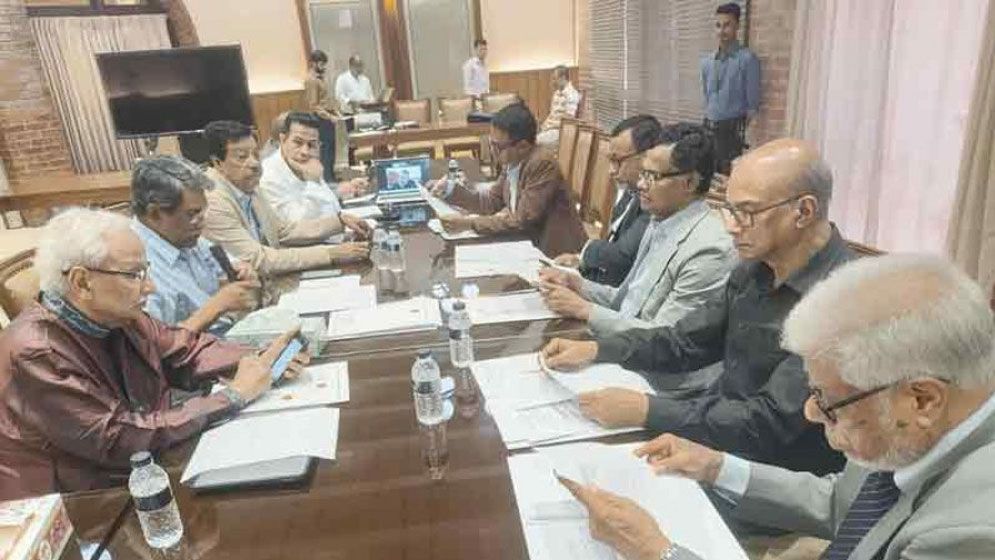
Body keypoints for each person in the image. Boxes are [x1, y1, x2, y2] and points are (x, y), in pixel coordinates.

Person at [564, 254, 995, 560]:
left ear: (922, 399)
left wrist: (658, 553)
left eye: (829, 404)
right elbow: (843, 502)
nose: (810, 413)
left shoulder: (968, 534)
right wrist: (715, 465)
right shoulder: (919, 425)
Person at [542, 138, 850, 475]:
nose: (731, 227)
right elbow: (684, 342)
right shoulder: (756, 268)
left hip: (765, 474)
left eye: (746, 212)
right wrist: (598, 349)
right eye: (729, 209)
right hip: (714, 435)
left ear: (803, 212)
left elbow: (768, 422)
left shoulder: (844, 302)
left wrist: (647, 410)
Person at [0, 208, 309, 499]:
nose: (150, 287)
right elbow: (116, 438)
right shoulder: (35, 351)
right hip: (82, 502)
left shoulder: (119, 316)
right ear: (82, 282)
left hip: (143, 469)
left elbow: (185, 349)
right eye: (134, 275)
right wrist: (232, 397)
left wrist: (258, 359)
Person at [539, 125, 736, 335]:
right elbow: (626, 302)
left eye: (653, 176)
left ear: (689, 183)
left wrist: (584, 310)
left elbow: (667, 338)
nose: (641, 184)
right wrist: (577, 284)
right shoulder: (659, 221)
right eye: (643, 173)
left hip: (645, 353)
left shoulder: (709, 250)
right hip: (626, 342)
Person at [200, 120, 370, 283]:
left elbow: (281, 231)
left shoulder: (247, 183)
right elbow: (260, 260)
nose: (254, 163)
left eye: (255, 154)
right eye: (242, 157)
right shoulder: (212, 202)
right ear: (217, 162)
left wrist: (339, 221)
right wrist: (330, 253)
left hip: (267, 280)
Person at [431, 103, 586, 257]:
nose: (492, 151)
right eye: (491, 144)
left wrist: (469, 223)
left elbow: (521, 222)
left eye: (497, 146)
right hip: (527, 245)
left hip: (557, 255)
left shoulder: (542, 164)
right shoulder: (512, 161)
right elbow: (491, 203)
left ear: (522, 146)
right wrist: (450, 190)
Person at [130, 155, 260, 335]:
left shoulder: (185, 237)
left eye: (202, 212)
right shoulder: (132, 264)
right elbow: (156, 345)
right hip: (190, 349)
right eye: (192, 214)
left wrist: (241, 271)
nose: (201, 222)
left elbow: (230, 271)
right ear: (154, 214)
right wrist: (217, 306)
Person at [554, 115, 660, 287]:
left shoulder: (657, 201)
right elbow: (613, 240)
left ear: (646, 157)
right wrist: (580, 261)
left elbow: (621, 256)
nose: (611, 171)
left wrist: (587, 253)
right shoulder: (631, 190)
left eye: (617, 161)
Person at [259, 111, 368, 227]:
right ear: (282, 139)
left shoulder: (305, 162)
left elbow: (330, 206)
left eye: (311, 144)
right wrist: (313, 181)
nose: (305, 152)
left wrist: (345, 216)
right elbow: (300, 225)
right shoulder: (268, 176)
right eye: (298, 142)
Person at [701, 2, 760, 175]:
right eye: (718, 25)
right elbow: (707, 96)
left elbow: (752, 107)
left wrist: (736, 130)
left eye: (727, 25)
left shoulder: (748, 60)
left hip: (731, 132)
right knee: (706, 177)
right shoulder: (707, 62)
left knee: (727, 179)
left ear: (737, 26)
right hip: (707, 127)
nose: (722, 31)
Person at [302, 50, 340, 181]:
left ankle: (331, 177)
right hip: (321, 119)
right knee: (325, 152)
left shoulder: (320, 78)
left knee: (331, 150)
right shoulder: (311, 80)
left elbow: (326, 100)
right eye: (321, 64)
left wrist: (336, 112)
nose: (324, 67)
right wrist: (330, 116)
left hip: (328, 117)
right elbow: (314, 106)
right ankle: (328, 180)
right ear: (313, 63)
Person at [536, 65, 582, 147]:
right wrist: (542, 127)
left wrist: (550, 127)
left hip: (559, 132)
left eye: (554, 78)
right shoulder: (556, 93)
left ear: (563, 78)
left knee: (534, 142)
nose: (552, 82)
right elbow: (552, 115)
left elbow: (569, 119)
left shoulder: (572, 94)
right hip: (548, 130)